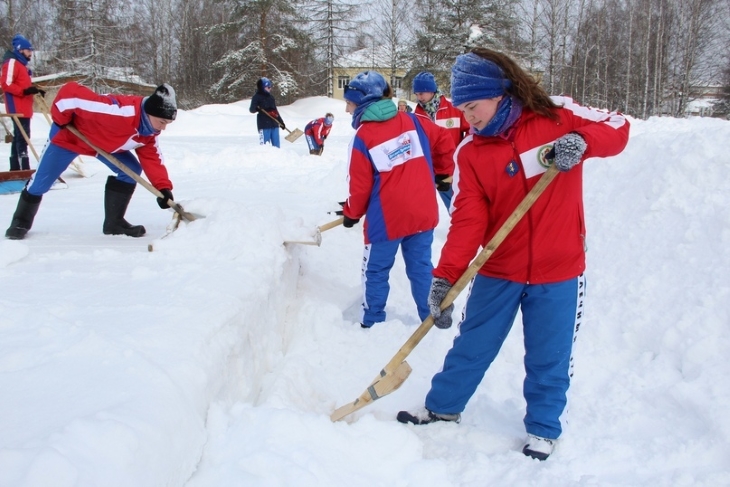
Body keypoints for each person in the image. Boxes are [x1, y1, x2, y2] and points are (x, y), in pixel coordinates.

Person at [396, 48, 630, 461]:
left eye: (473, 106)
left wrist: (582, 140)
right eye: (462, 108)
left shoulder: (556, 117)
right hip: (498, 270)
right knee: (472, 345)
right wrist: (445, 276)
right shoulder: (471, 153)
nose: (468, 116)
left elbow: (618, 125)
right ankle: (443, 408)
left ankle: (543, 428)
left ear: (499, 94)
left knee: (549, 355)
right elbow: (468, 221)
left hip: (558, 271)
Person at [340, 70, 455, 328]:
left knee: (376, 271)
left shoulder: (363, 137)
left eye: (349, 103)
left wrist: (351, 213)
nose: (347, 110)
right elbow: (445, 140)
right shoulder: (413, 121)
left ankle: (372, 321)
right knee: (421, 268)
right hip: (423, 213)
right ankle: (431, 319)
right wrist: (443, 172)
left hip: (387, 221)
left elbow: (359, 188)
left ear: (363, 103)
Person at [5, 82, 178, 240]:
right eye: (162, 122)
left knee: (130, 170)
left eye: (168, 123)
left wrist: (163, 188)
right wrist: (61, 120)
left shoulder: (149, 132)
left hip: (102, 146)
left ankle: (114, 223)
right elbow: (70, 94)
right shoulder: (117, 111)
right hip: (69, 138)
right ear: (149, 113)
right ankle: (20, 221)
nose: (163, 128)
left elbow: (152, 158)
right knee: (40, 183)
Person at [412, 71, 469, 210]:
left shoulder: (453, 109)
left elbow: (470, 130)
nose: (419, 97)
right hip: (435, 171)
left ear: (431, 91)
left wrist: (464, 152)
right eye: (417, 94)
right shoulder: (417, 115)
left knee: (464, 202)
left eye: (422, 93)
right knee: (451, 206)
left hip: (457, 167)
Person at [1, 34, 45, 171]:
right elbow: (6, 84)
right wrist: (24, 92)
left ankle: (15, 167)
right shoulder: (12, 63)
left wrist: (34, 90)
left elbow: (24, 85)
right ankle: (23, 166)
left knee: (21, 136)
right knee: (22, 137)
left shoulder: (22, 66)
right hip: (17, 107)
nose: (30, 53)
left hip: (24, 107)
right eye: (28, 50)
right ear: (20, 50)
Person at [249, 77, 286, 148]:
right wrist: (257, 108)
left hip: (274, 124)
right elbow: (251, 110)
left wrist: (281, 122)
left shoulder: (271, 97)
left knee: (276, 146)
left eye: (270, 87)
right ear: (262, 87)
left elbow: (275, 110)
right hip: (264, 125)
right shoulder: (256, 97)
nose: (270, 89)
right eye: (268, 87)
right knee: (265, 146)